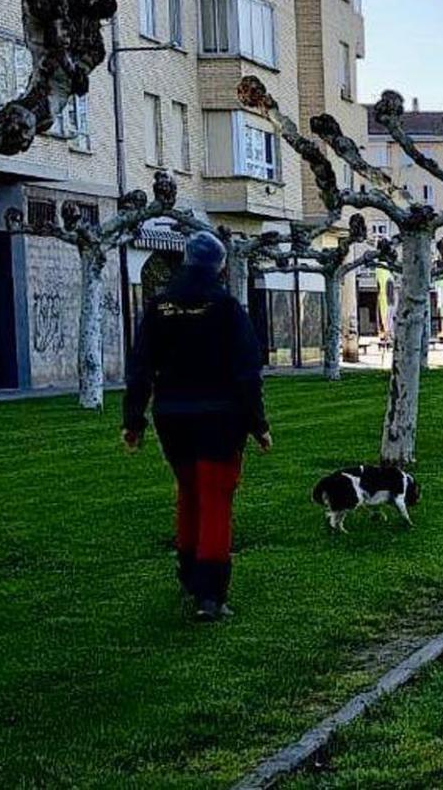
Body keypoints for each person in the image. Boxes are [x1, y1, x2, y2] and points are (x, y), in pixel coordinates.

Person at [122, 232, 271, 621]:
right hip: (220, 416)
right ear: (220, 266)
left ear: (186, 261)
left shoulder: (159, 306)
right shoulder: (225, 307)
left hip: (171, 415)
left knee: (189, 491)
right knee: (216, 497)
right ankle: (211, 594)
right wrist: (258, 424)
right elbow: (246, 370)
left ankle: (188, 573)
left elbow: (139, 366)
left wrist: (133, 419)